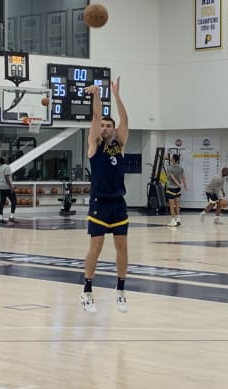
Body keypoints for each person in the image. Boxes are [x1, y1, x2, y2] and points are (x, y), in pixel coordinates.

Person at [79, 76, 130, 313]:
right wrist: (97, 94)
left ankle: (120, 290)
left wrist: (117, 96)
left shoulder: (119, 146)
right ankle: (87, 290)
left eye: (111, 126)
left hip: (118, 202)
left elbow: (125, 119)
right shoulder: (94, 145)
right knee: (96, 246)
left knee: (122, 248)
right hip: (100, 202)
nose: (107, 127)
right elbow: (96, 117)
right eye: (105, 126)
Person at [166, 153, 187, 227]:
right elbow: (183, 177)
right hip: (178, 189)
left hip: (171, 188)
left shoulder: (169, 168)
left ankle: (173, 221)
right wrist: (185, 186)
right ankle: (178, 219)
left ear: (174, 160)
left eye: (171, 157)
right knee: (177, 204)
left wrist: (178, 184)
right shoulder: (180, 168)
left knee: (171, 206)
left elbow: (172, 178)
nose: (170, 158)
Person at [0, 157, 17, 224]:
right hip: (7, 187)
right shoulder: (7, 167)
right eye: (5, 159)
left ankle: (0, 218)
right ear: (4, 160)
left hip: (1, 187)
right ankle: (11, 217)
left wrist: (0, 183)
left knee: (2, 201)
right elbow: (6, 177)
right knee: (14, 201)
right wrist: (11, 187)